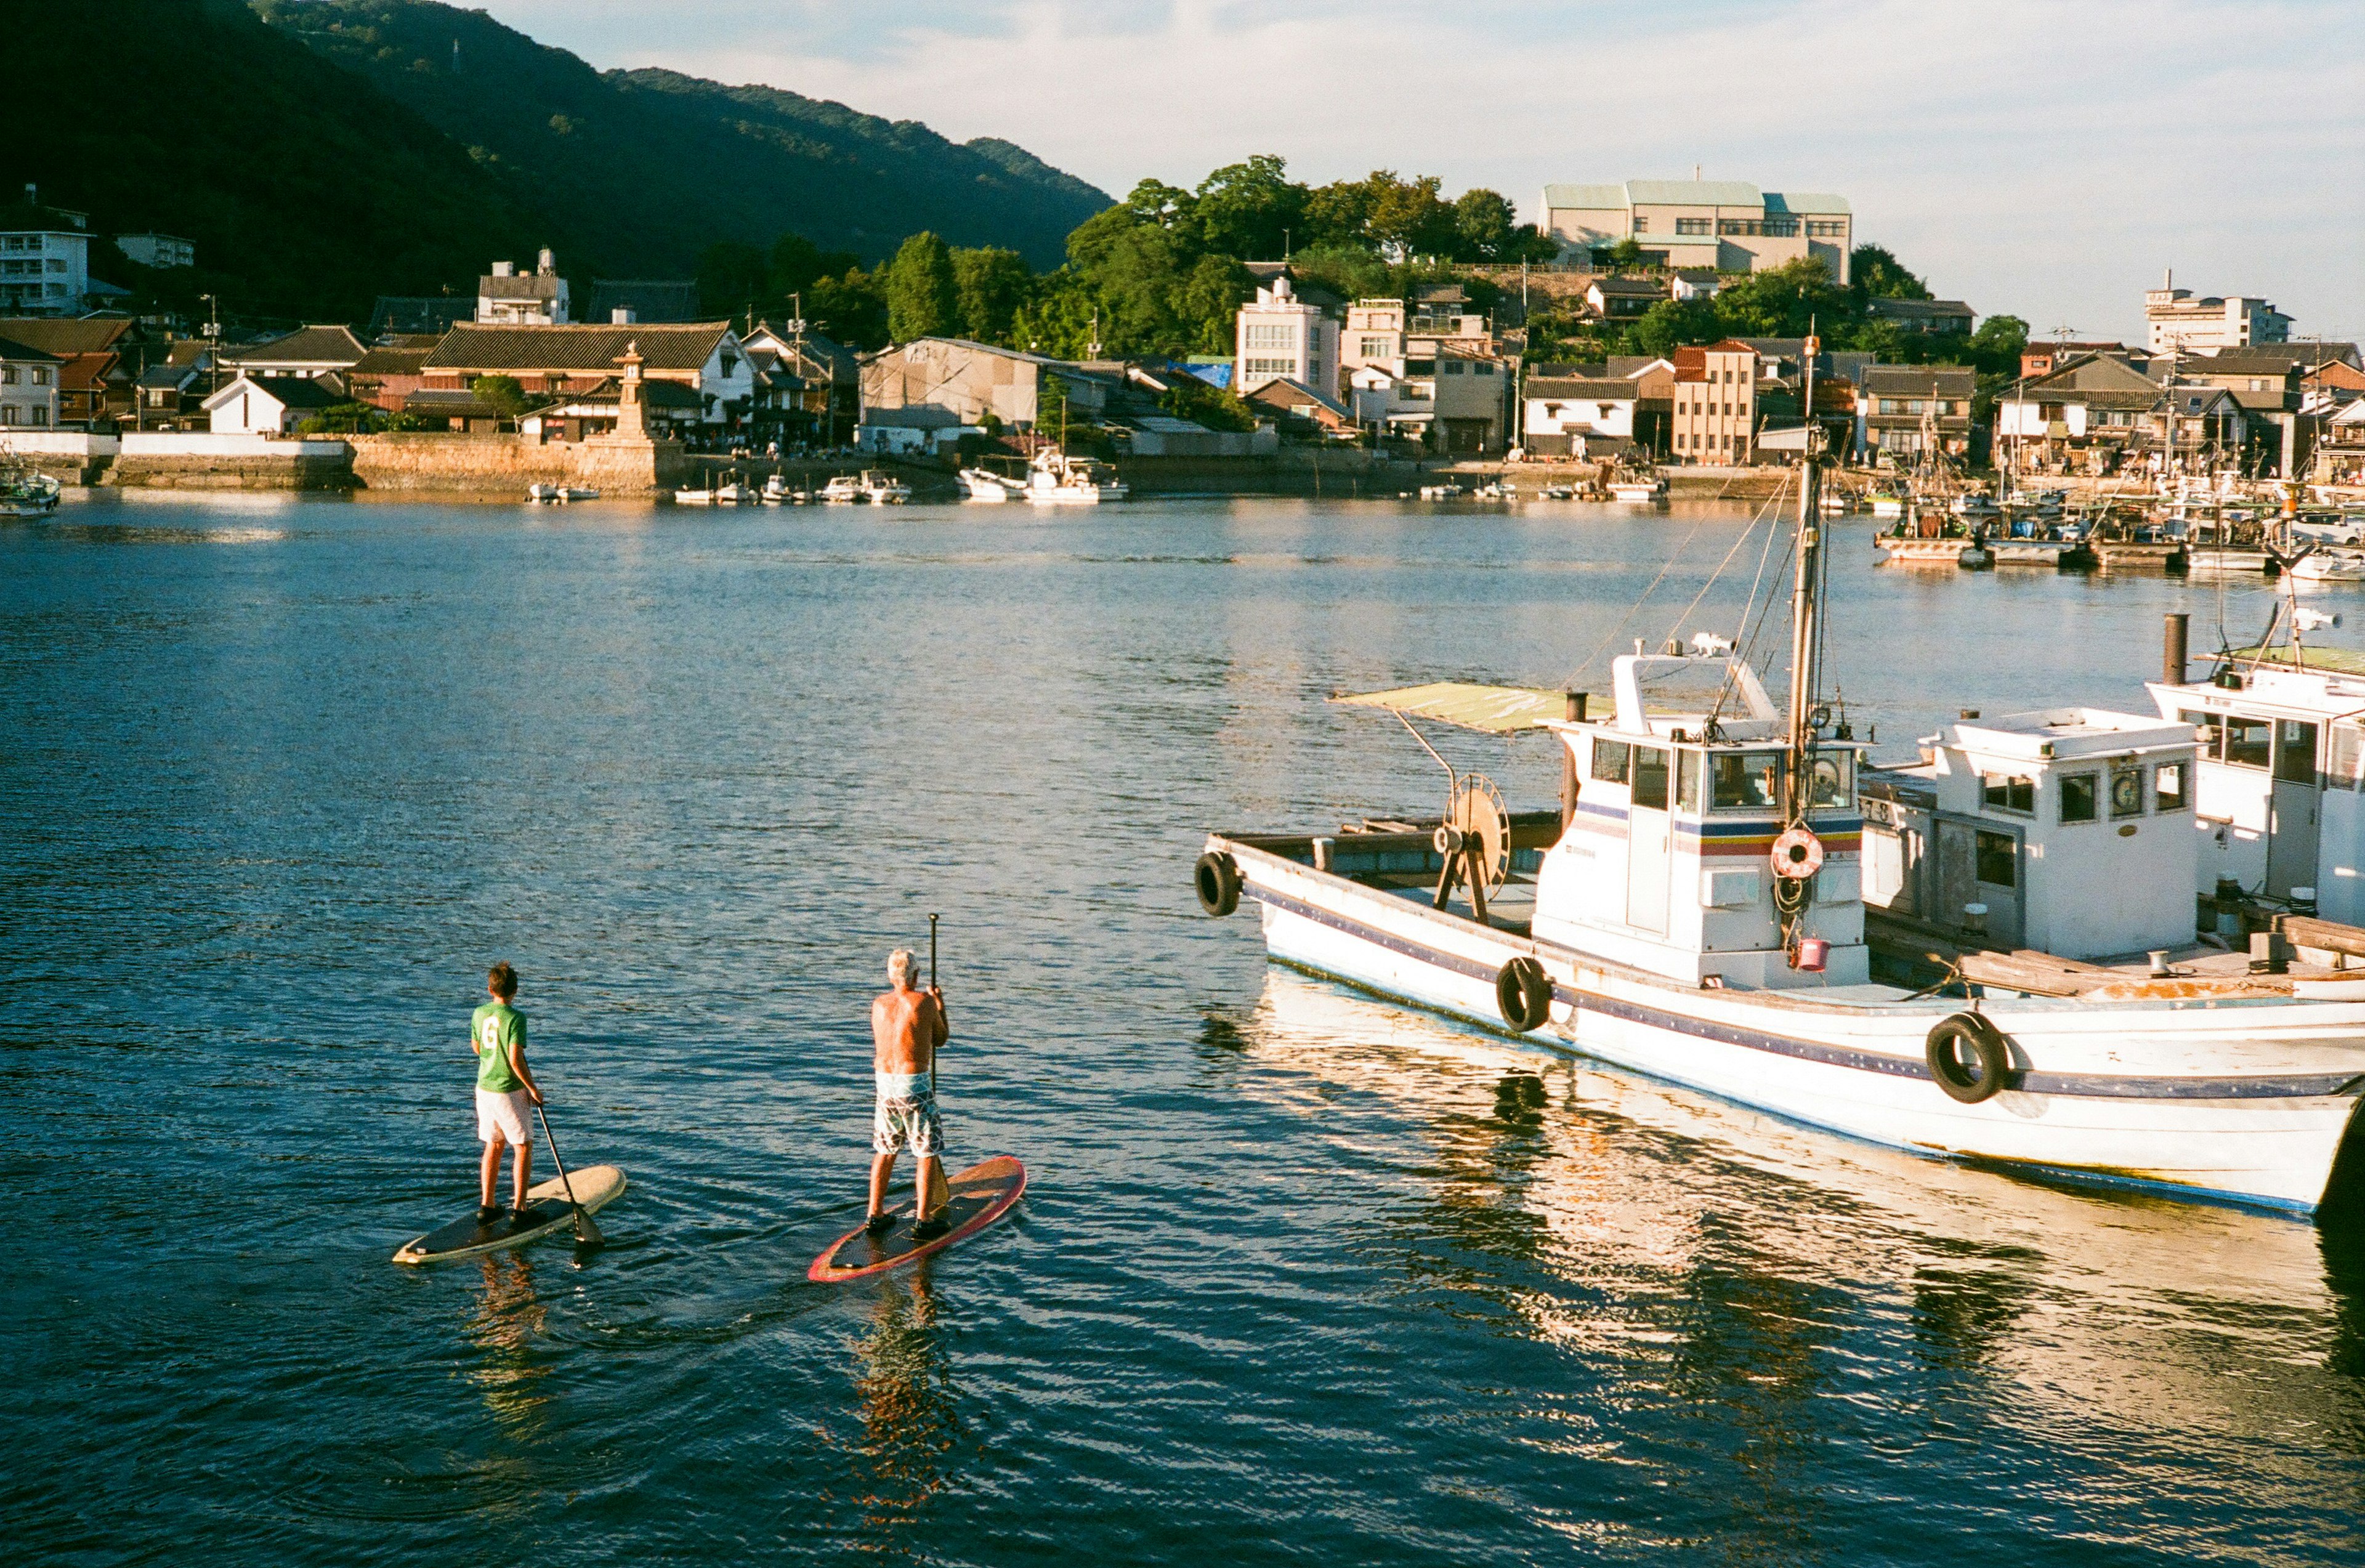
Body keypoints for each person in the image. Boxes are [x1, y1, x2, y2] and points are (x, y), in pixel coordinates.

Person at [868, 947, 950, 1240]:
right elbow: (940, 1039)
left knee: (885, 1149)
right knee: (926, 1150)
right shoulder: (923, 1002)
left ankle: (875, 1215)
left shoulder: (878, 1004)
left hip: (885, 1085)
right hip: (913, 1084)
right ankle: (924, 1220)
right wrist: (940, 1005)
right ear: (915, 976)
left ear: (891, 976)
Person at [471, 961, 544, 1225]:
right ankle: (520, 1210)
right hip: (507, 1090)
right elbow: (515, 1060)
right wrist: (532, 1088)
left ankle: (487, 1205)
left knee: (494, 1144)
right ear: (515, 990)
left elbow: (477, 1048)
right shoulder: (516, 1018)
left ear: (490, 988)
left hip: (484, 1089)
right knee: (523, 1146)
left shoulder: (479, 1013)